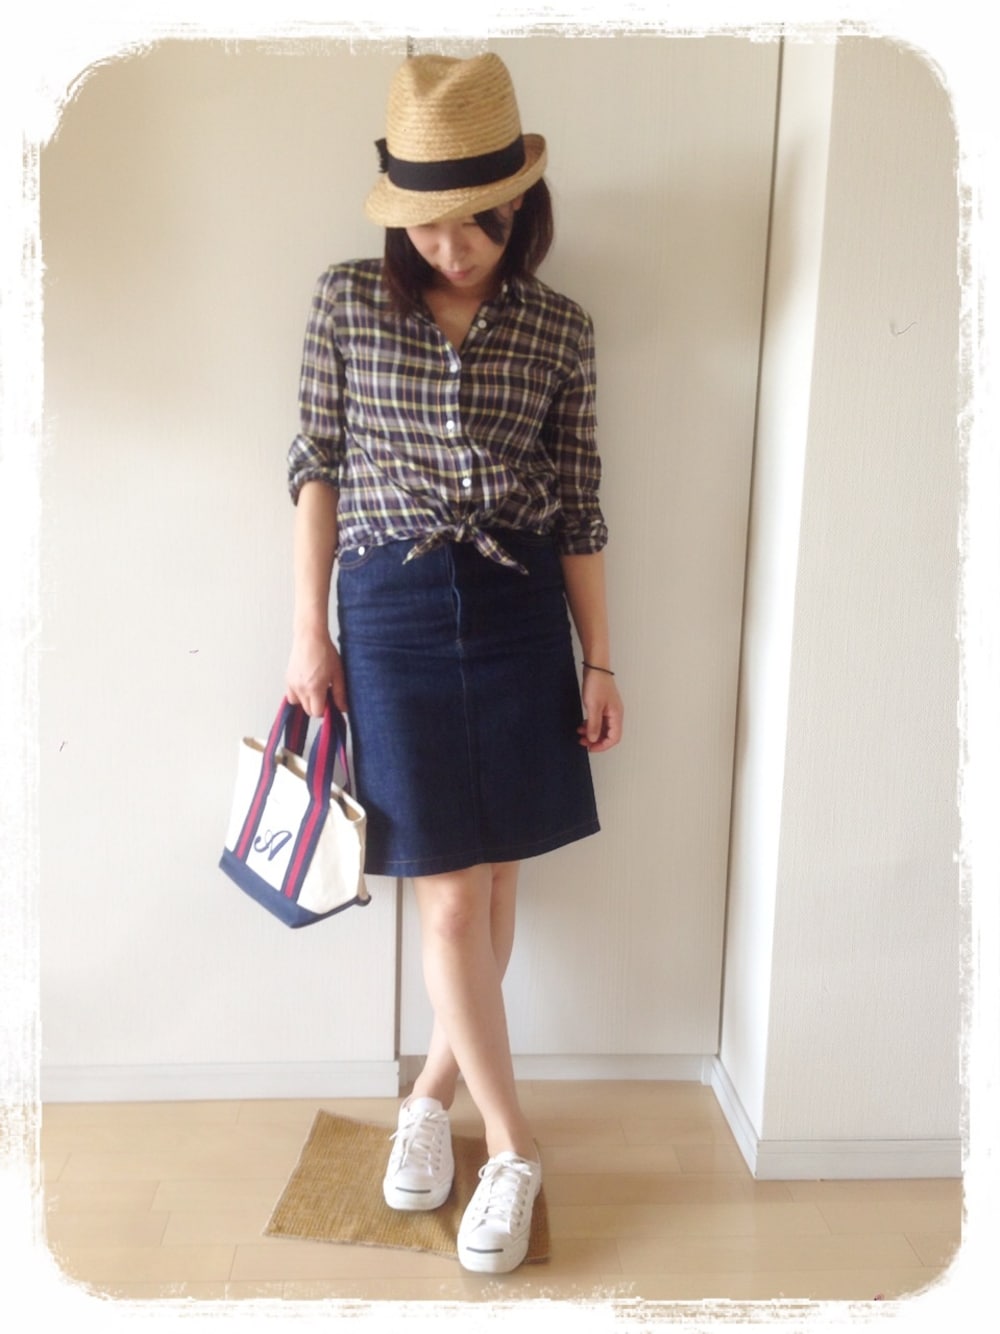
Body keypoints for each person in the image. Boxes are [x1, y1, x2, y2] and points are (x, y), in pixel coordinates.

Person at [284, 52, 623, 1275]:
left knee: (492, 887)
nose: (454, 244)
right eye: (429, 222)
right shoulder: (344, 301)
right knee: (444, 897)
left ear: (520, 204)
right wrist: (309, 629)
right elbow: (313, 465)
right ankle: (515, 1147)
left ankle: (428, 1096)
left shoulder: (560, 326)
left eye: (478, 219)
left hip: (520, 606)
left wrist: (600, 657)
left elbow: (578, 503)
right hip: (390, 613)